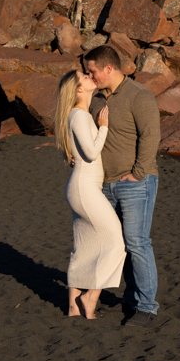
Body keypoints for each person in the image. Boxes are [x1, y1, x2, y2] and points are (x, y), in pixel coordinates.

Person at [81, 44, 161, 327]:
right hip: (106, 185)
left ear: (108, 68)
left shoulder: (139, 95)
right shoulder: (96, 99)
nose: (89, 76)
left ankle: (147, 308)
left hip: (136, 182)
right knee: (119, 245)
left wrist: (137, 173)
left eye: (92, 71)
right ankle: (130, 299)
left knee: (137, 243)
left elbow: (151, 135)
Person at [53, 69, 126, 319]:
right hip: (84, 188)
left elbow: (80, 151)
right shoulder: (79, 115)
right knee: (116, 241)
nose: (88, 75)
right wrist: (103, 128)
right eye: (83, 76)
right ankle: (89, 297)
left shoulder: (77, 114)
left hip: (82, 187)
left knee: (84, 247)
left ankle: (74, 307)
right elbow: (92, 153)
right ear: (78, 89)